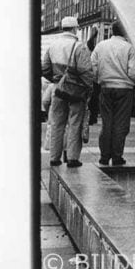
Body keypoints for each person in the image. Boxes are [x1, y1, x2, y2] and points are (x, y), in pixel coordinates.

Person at [41, 16, 95, 168]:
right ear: (75, 29)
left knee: (57, 124)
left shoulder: (52, 46)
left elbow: (45, 68)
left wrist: (57, 80)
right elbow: (86, 71)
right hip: (76, 91)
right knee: (74, 123)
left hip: (58, 90)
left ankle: (54, 157)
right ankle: (72, 158)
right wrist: (89, 88)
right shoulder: (79, 47)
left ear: (62, 28)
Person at [91, 19, 135, 166]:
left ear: (112, 31)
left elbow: (92, 67)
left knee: (106, 123)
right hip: (124, 89)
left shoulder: (101, 46)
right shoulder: (130, 48)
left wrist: (99, 79)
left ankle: (104, 156)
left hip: (105, 87)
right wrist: (132, 82)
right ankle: (117, 156)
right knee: (121, 124)